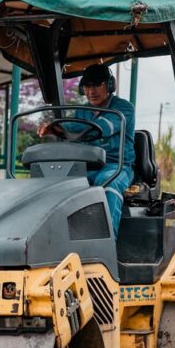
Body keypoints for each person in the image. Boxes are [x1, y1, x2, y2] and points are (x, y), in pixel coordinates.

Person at [37, 63, 135, 231]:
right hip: (87, 166)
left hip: (116, 166)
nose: (91, 91)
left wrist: (65, 127)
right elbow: (74, 132)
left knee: (107, 183)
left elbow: (102, 128)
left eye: (97, 85)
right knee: (60, 185)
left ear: (109, 85)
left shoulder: (123, 109)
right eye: (87, 86)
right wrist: (55, 128)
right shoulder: (81, 111)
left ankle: (107, 245)